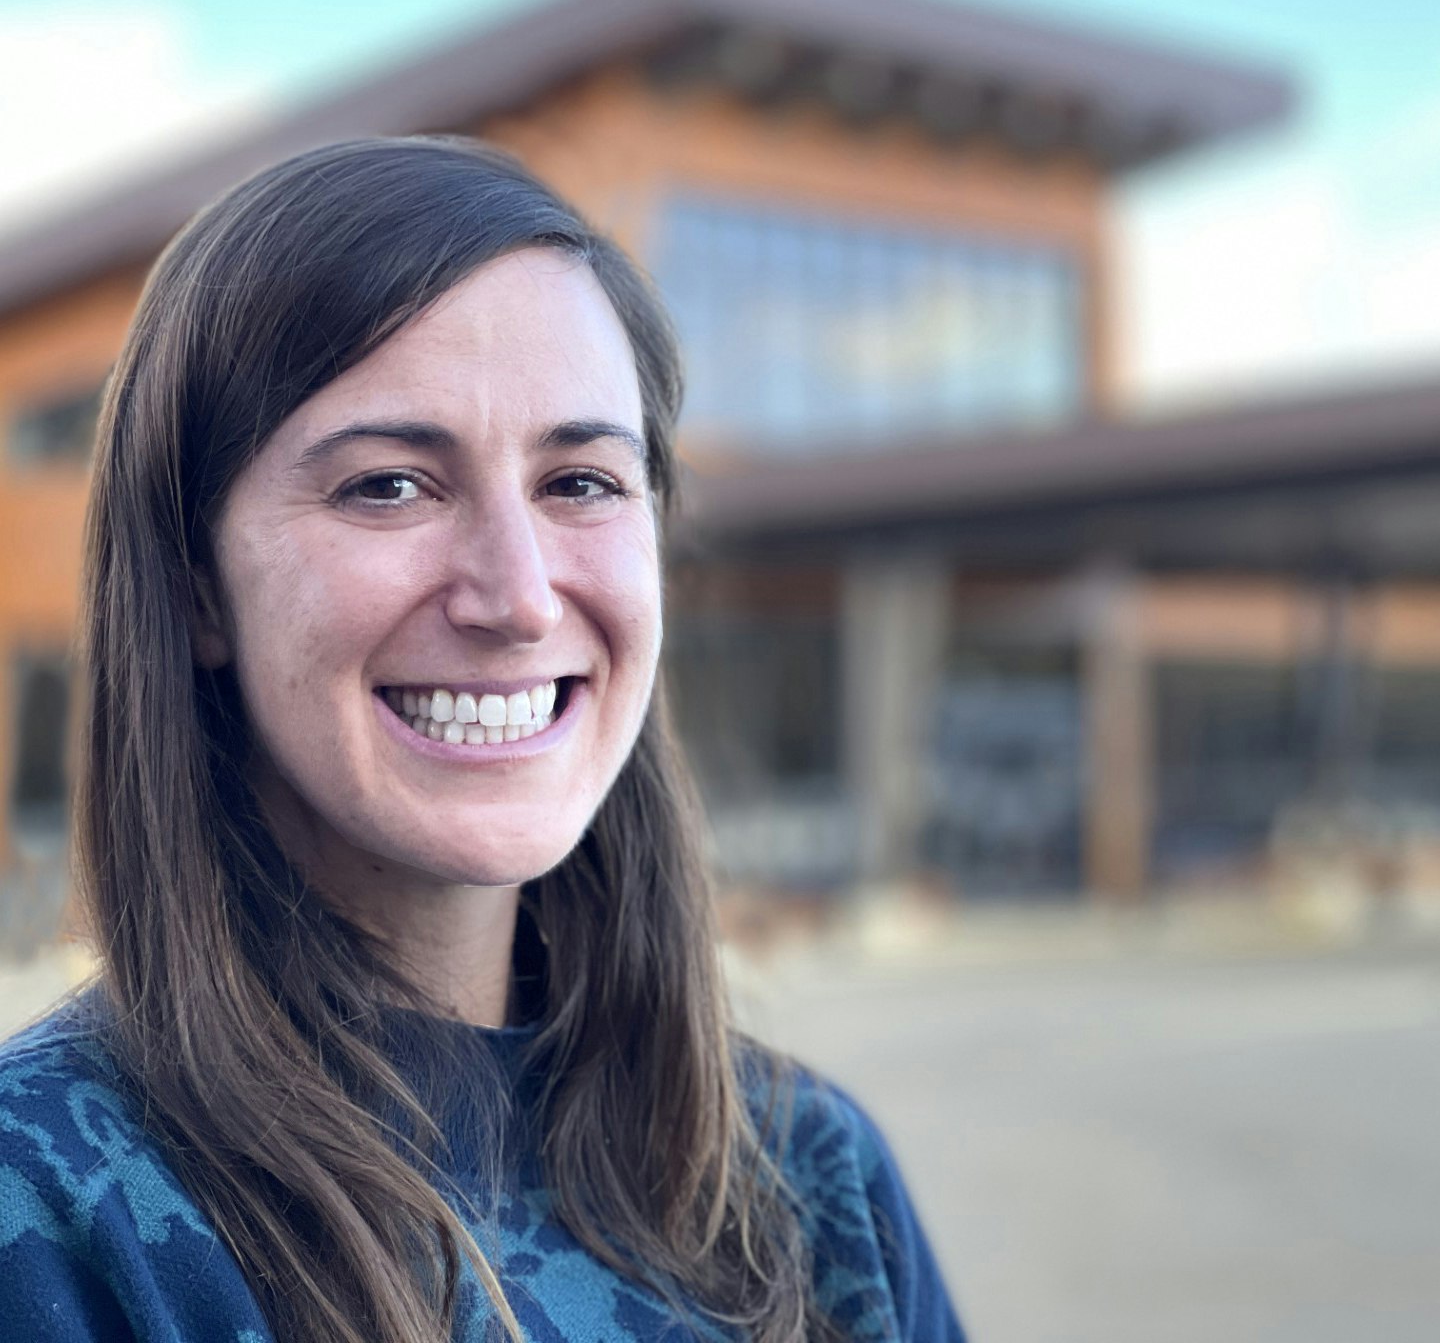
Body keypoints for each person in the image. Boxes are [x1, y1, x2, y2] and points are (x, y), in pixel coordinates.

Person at [0, 136, 967, 1342]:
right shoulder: (42, 1217)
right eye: (390, 485)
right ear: (197, 586)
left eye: (581, 483)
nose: (516, 598)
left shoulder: (813, 1182)